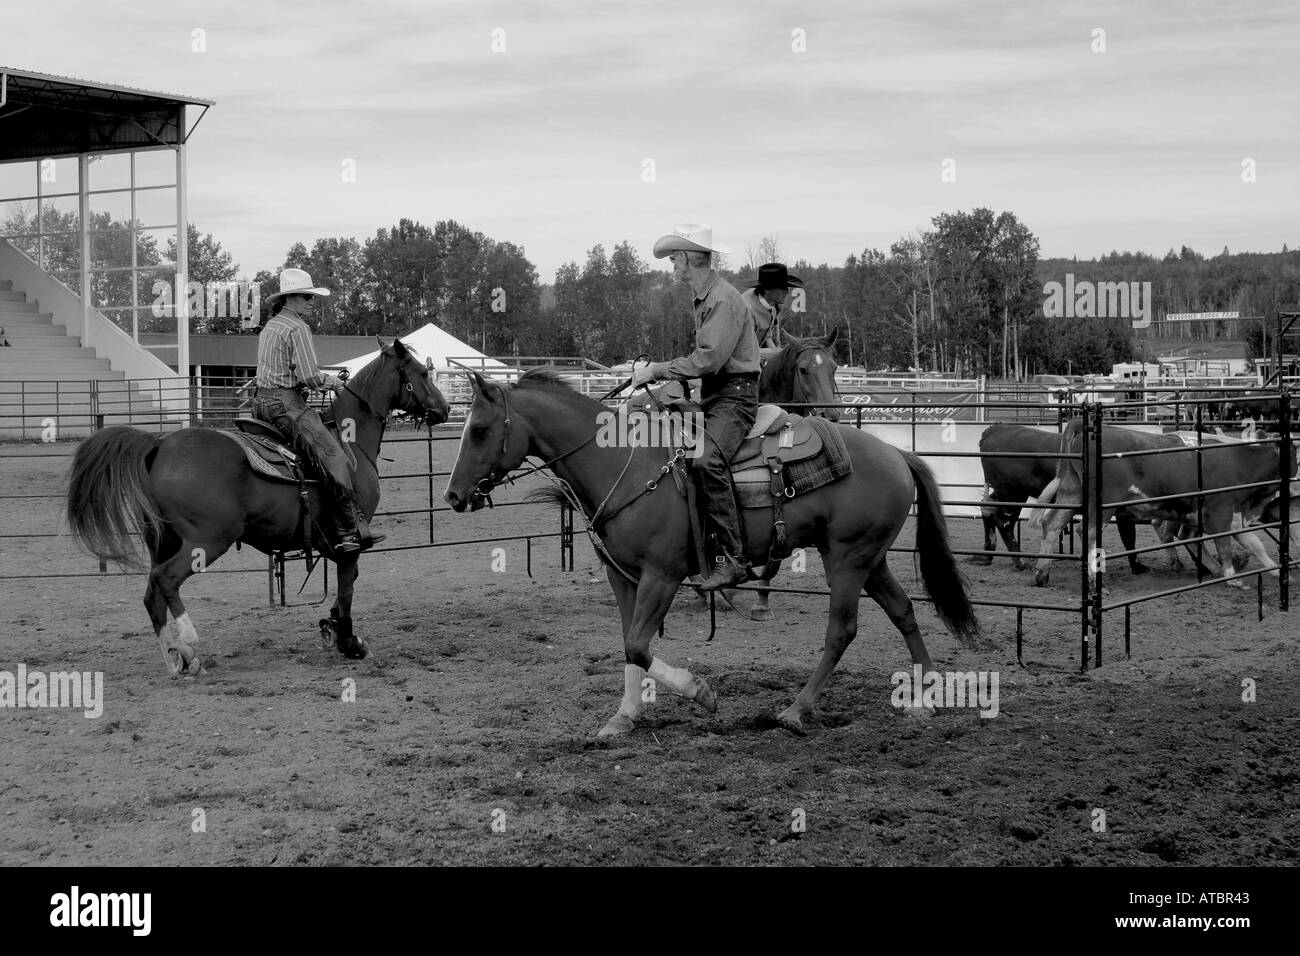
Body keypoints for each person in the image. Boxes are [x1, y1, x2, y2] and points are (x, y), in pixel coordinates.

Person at [632, 224, 759, 590]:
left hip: (735, 398)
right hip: (717, 394)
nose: (671, 266)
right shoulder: (708, 296)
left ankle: (733, 558)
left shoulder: (722, 299)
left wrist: (657, 370)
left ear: (688, 259)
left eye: (674, 259)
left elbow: (708, 360)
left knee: (707, 460)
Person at [252, 268, 380, 554]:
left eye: (311, 296)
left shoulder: (271, 326)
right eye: (307, 296)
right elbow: (309, 374)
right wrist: (331, 382)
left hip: (260, 405)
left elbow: (281, 370)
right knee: (334, 455)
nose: (311, 301)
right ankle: (348, 530)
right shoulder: (297, 328)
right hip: (286, 406)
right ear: (291, 298)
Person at [740, 262, 803, 364]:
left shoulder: (772, 304)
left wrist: (776, 354)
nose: (787, 292)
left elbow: (767, 333)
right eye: (782, 288)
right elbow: (743, 352)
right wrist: (776, 354)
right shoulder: (747, 312)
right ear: (767, 289)